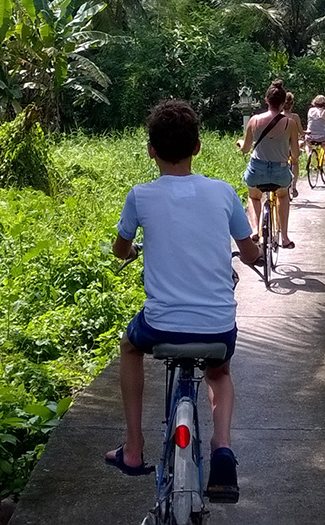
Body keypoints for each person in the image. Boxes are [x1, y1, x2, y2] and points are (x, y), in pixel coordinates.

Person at [107, 99, 260, 504]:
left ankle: (134, 446)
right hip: (216, 330)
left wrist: (132, 249)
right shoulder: (224, 193)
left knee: (129, 346)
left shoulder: (140, 196)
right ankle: (222, 447)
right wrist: (253, 252)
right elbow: (249, 254)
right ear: (198, 147)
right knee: (219, 375)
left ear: (150, 150)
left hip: (159, 327)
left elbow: (120, 249)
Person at [238, 80, 300, 248]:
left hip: (257, 170)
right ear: (282, 103)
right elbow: (295, 154)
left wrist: (240, 143)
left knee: (253, 196)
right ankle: (285, 238)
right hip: (280, 171)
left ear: (266, 100)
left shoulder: (254, 120)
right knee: (283, 195)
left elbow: (245, 149)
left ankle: (255, 230)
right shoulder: (290, 123)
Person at [305, 94, 325, 177]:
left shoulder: (310, 110)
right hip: (321, 137)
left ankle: (310, 156)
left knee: (308, 145)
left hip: (310, 135)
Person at [282, 92, 303, 199]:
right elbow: (300, 131)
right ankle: (294, 186)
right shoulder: (295, 117)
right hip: (292, 145)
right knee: (295, 163)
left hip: (282, 146)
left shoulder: (279, 116)